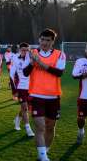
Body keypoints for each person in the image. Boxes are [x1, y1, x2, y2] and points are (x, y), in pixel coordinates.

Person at [23, 29, 66, 161]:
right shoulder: (32, 54)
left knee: (50, 127)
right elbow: (25, 73)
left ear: (53, 41)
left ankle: (44, 151)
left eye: (48, 40)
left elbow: (59, 73)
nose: (45, 42)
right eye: (42, 39)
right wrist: (32, 62)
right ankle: (43, 156)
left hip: (53, 96)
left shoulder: (60, 54)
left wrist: (40, 63)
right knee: (40, 126)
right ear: (39, 40)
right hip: (36, 95)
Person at [9, 43, 35, 137]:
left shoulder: (32, 58)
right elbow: (11, 74)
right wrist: (14, 90)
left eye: (26, 50)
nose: (24, 52)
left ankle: (17, 118)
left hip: (33, 87)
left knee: (27, 107)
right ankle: (28, 129)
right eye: (23, 50)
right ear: (19, 50)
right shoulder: (15, 58)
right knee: (24, 107)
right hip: (21, 87)